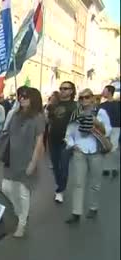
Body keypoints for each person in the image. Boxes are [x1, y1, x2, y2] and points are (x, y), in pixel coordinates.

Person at [1, 87, 45, 238]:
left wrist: (33, 163)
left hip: (26, 159)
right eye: (20, 96)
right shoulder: (15, 114)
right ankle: (19, 213)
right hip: (11, 158)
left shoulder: (38, 117)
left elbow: (39, 142)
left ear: (33, 99)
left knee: (23, 192)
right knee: (6, 188)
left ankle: (22, 223)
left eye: (25, 97)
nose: (21, 99)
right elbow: (6, 132)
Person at [64, 88, 111, 224]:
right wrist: (73, 145)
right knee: (78, 183)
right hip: (80, 152)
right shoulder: (76, 114)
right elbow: (69, 133)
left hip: (96, 151)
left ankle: (93, 207)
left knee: (95, 183)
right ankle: (76, 212)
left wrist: (96, 122)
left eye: (87, 97)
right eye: (81, 98)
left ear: (92, 98)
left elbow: (107, 131)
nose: (84, 100)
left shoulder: (101, 113)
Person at [46, 81, 78, 203]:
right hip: (53, 139)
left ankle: (60, 190)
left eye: (65, 88)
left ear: (71, 91)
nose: (62, 90)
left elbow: (78, 124)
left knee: (63, 166)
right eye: (61, 88)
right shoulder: (54, 104)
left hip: (67, 141)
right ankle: (59, 184)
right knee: (55, 166)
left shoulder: (75, 106)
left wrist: (75, 142)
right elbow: (49, 121)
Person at [99, 85, 120, 178]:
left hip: (115, 128)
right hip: (105, 129)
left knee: (114, 148)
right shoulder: (102, 105)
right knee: (106, 147)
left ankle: (114, 168)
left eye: (104, 90)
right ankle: (107, 168)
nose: (103, 92)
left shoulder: (117, 104)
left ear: (110, 92)